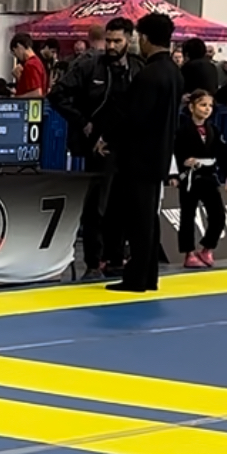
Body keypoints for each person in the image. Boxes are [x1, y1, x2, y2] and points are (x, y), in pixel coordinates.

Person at [50, 16, 135, 279]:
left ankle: (116, 257)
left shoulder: (137, 68)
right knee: (96, 207)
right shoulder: (89, 65)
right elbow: (57, 94)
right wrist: (85, 126)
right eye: (108, 40)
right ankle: (93, 262)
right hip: (99, 146)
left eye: (117, 41)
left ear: (129, 40)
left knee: (121, 205)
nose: (111, 46)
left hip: (128, 146)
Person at [108, 12, 186, 294]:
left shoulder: (148, 75)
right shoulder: (174, 73)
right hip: (161, 154)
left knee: (138, 220)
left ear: (143, 38)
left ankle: (137, 277)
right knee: (149, 217)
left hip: (139, 156)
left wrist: (111, 139)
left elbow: (135, 118)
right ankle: (148, 275)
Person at [175, 89, 227, 269]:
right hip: (190, 178)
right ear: (191, 107)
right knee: (187, 216)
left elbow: (223, 153)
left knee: (218, 215)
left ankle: (207, 248)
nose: (207, 109)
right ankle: (189, 253)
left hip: (209, 176)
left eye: (210, 106)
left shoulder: (213, 129)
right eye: (202, 105)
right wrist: (178, 170)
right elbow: (174, 152)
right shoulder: (181, 129)